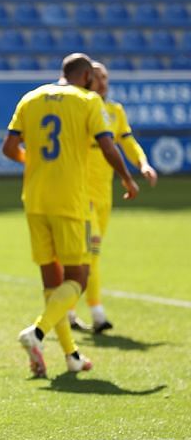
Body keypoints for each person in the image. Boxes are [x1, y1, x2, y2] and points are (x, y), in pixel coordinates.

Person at [2, 53, 140, 378]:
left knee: (52, 284)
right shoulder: (88, 100)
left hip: (35, 199)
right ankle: (36, 333)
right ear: (88, 76)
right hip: (70, 201)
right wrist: (127, 177)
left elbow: (9, 148)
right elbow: (108, 147)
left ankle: (71, 356)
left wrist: (35, 164)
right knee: (78, 278)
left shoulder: (30, 98)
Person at [68, 61, 158, 334]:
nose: (102, 82)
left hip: (104, 194)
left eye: (105, 77)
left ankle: (67, 312)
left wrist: (142, 163)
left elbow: (127, 141)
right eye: (97, 77)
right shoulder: (80, 107)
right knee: (90, 254)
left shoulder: (115, 111)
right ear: (86, 79)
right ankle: (97, 313)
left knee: (86, 255)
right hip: (80, 193)